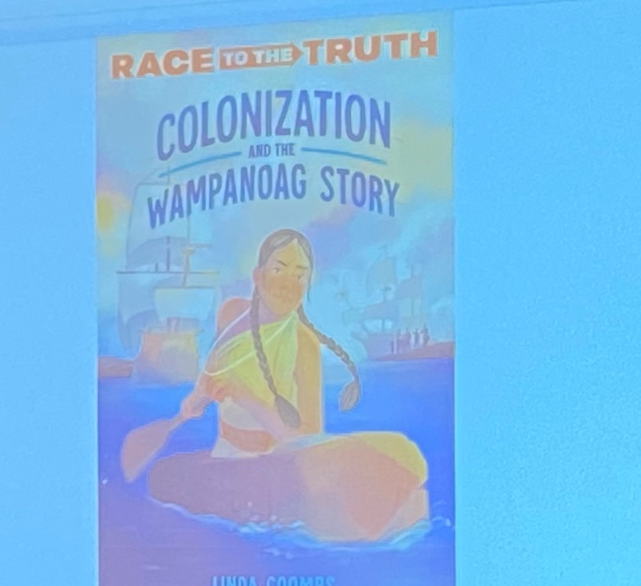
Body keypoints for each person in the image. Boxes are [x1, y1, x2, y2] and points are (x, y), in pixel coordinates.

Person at [122, 228, 428, 544]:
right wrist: (198, 398)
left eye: (300, 275)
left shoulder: (304, 345)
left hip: (270, 463)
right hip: (227, 459)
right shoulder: (232, 313)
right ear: (258, 275)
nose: (288, 284)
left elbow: (306, 441)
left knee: (406, 497)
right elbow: (213, 372)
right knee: (163, 477)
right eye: (279, 270)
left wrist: (245, 396)